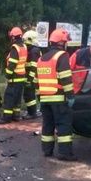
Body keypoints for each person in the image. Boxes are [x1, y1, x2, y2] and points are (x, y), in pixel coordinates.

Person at [36, 29, 76, 161]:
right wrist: (70, 96)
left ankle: (47, 150)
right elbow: (66, 78)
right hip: (59, 99)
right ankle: (64, 153)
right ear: (61, 43)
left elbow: (36, 81)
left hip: (44, 99)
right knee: (63, 125)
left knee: (47, 125)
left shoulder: (41, 58)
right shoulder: (62, 56)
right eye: (65, 42)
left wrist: (39, 98)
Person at [0, 27, 28, 124]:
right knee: (17, 99)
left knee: (9, 98)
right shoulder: (24, 47)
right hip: (21, 78)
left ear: (13, 37)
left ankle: (6, 118)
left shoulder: (15, 48)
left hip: (14, 78)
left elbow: (12, 64)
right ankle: (16, 116)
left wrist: (7, 76)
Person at [22, 30, 41, 119]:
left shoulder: (34, 51)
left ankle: (32, 113)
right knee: (29, 94)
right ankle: (33, 111)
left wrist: (29, 79)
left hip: (33, 77)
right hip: (30, 76)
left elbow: (33, 66)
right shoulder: (31, 50)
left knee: (30, 95)